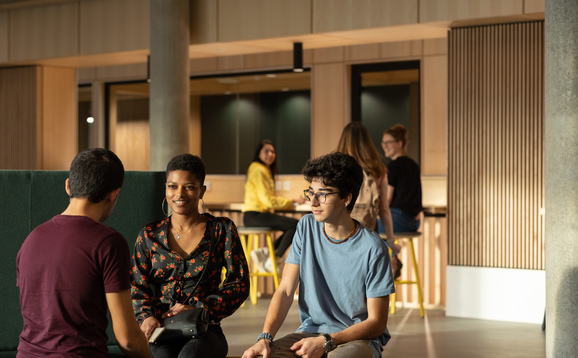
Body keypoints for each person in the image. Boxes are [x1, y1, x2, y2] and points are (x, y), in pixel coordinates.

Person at [242, 152, 395, 358]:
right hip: (310, 333)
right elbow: (286, 290)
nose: (312, 202)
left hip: (356, 339)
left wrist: (328, 341)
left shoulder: (373, 247)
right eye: (310, 192)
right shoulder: (306, 228)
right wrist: (265, 338)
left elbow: (376, 323)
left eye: (322, 194)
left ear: (346, 198)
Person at [16, 148, 152, 358]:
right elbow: (128, 339)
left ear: (68, 186)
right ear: (114, 194)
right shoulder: (109, 243)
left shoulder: (31, 239)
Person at [131, 153, 249, 358]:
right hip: (161, 328)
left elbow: (238, 283)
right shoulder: (149, 235)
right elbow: (136, 285)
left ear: (201, 190)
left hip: (205, 329)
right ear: (165, 188)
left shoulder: (222, 230)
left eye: (189, 186)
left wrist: (199, 308)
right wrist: (146, 317)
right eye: (172, 186)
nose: (179, 194)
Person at [336, 121, 400, 256]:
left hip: (339, 229)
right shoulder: (377, 169)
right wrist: (391, 240)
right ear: (367, 142)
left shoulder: (337, 167)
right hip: (367, 229)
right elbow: (383, 209)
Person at [242, 140, 305, 273]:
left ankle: (265, 252)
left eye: (273, 152)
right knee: (295, 225)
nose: (270, 154)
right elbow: (267, 201)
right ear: (258, 153)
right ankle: (274, 257)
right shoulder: (259, 170)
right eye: (266, 151)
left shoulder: (262, 170)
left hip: (255, 215)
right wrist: (292, 201)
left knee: (294, 226)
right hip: (255, 215)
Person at [379, 124, 423, 233]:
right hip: (415, 222)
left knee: (368, 228)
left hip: (399, 218)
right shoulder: (413, 164)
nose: (384, 146)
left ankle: (388, 250)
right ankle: (390, 250)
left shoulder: (394, 165)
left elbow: (387, 199)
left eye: (388, 143)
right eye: (383, 143)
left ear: (399, 143)